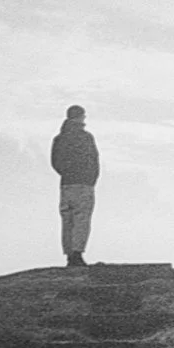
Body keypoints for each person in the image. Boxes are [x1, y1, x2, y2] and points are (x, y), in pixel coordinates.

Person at [50, 104, 100, 267]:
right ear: (81, 117)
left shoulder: (59, 139)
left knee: (67, 219)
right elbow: (94, 159)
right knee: (81, 217)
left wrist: (66, 172)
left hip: (66, 184)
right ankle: (77, 254)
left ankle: (69, 254)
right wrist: (91, 178)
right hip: (84, 183)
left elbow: (55, 162)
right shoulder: (86, 137)